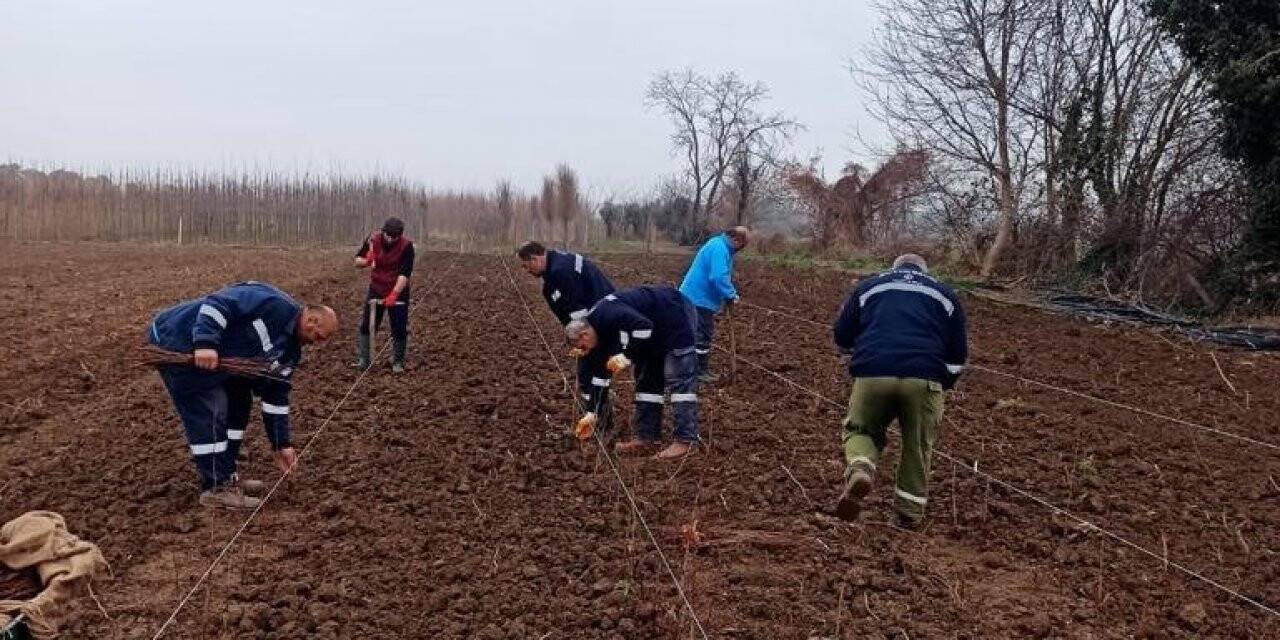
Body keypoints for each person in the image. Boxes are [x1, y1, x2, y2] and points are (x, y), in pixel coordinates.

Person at [148, 282, 338, 509]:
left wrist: (280, 444)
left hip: (219, 361)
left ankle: (227, 475)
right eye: (321, 336)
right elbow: (217, 304)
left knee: (239, 402)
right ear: (312, 321)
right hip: (177, 340)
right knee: (211, 407)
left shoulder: (290, 351)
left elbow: (276, 395)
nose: (318, 343)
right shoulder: (273, 304)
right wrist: (206, 343)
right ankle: (216, 488)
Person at [831, 254, 967, 530]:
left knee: (860, 430)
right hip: (923, 377)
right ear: (924, 271)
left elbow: (842, 335)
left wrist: (858, 355)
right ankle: (908, 514)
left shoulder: (869, 286)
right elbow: (957, 354)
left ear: (894, 268)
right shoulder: (944, 294)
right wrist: (942, 385)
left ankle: (861, 468)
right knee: (917, 446)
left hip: (873, 373)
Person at [565, 286, 700, 459]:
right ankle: (647, 437)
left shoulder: (607, 313)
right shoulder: (596, 342)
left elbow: (644, 326)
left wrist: (626, 356)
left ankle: (685, 441)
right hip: (651, 336)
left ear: (584, 335)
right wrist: (592, 414)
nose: (584, 351)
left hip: (674, 314)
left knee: (679, 378)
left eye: (581, 347)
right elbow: (601, 378)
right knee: (646, 381)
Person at [516, 241, 618, 433]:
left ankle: (600, 422)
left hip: (600, 324)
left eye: (525, 265)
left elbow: (579, 313)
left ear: (535, 259)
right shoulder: (557, 265)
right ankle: (597, 416)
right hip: (599, 319)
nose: (525, 270)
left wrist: (580, 339)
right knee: (589, 373)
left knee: (591, 372)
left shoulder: (559, 272)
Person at [679, 226, 750, 382]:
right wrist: (731, 295)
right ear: (736, 240)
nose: (740, 250)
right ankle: (699, 370)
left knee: (694, 332)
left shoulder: (717, 243)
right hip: (699, 298)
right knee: (703, 334)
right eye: (741, 246)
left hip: (694, 295)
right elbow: (718, 277)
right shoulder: (720, 248)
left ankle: (688, 366)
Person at [354, 217, 416, 373]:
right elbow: (357, 261)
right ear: (383, 232)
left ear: (399, 236)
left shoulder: (407, 247)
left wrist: (394, 294)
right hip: (376, 287)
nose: (390, 239)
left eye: (394, 237)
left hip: (398, 289)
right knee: (367, 324)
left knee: (399, 327)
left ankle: (398, 362)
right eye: (388, 235)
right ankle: (364, 359)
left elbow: (404, 274)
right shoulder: (373, 240)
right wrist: (368, 260)